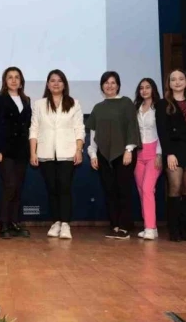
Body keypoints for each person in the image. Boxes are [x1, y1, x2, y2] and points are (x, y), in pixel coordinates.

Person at [30, 69, 85, 240]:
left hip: (67, 153)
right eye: (52, 80)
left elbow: (79, 128)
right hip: (45, 153)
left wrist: (79, 150)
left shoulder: (74, 103)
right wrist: (33, 152)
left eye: (59, 80)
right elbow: (34, 129)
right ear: (47, 84)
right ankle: (56, 222)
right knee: (52, 189)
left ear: (64, 84)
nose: (56, 83)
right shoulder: (39, 104)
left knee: (64, 188)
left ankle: (66, 224)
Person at [87, 71, 140, 240]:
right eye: (106, 83)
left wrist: (129, 150)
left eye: (113, 82)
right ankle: (115, 225)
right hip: (103, 155)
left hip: (124, 154)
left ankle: (124, 226)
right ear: (102, 86)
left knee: (123, 190)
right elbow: (94, 133)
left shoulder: (126, 103)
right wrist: (93, 154)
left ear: (118, 85)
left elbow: (132, 127)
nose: (109, 86)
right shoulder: (98, 107)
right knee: (109, 191)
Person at [156, 69, 186, 242]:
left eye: (181, 78)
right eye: (173, 79)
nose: (177, 82)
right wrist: (168, 153)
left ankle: (184, 228)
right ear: (169, 83)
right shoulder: (163, 104)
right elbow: (162, 131)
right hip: (173, 151)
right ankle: (173, 229)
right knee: (175, 187)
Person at [0, 67, 32, 239]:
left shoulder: (26, 100)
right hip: (5, 151)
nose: (14, 80)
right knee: (10, 186)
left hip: (22, 151)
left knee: (18, 188)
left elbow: (28, 126)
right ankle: (3, 224)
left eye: (17, 77)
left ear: (21, 81)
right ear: (5, 81)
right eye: (10, 77)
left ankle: (15, 223)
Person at [133, 78, 162, 240]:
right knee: (141, 190)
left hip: (154, 153)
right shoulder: (136, 108)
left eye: (147, 87)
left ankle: (150, 227)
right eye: (141, 88)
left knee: (147, 188)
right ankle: (150, 226)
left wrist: (159, 153)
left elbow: (162, 132)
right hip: (138, 154)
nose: (144, 90)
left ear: (153, 89)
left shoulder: (159, 107)